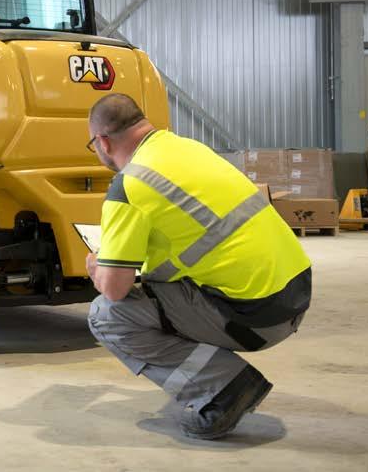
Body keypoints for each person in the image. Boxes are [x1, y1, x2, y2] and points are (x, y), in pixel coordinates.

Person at [84, 93, 311, 440]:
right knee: (152, 291)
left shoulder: (129, 185)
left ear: (102, 142)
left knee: (107, 315)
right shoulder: (190, 149)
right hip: (294, 294)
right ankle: (219, 378)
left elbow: (115, 289)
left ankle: (224, 388)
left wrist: (97, 267)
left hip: (257, 319)